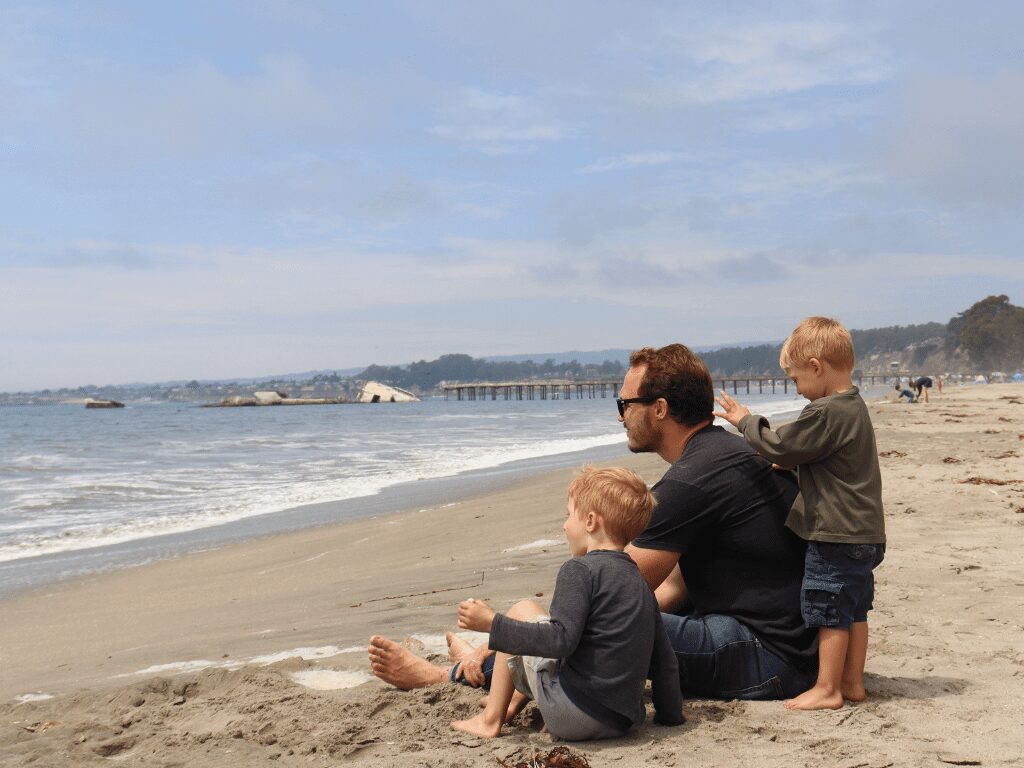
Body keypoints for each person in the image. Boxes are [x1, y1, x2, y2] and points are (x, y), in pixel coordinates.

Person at [618, 344, 818, 702]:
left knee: (612, 625)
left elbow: (610, 594)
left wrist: (517, 640)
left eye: (625, 405)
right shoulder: (727, 453)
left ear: (659, 409)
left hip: (768, 655)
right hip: (799, 645)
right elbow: (674, 588)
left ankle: (494, 665)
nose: (621, 418)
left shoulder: (692, 479)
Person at [714, 317, 885, 710]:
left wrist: (745, 421)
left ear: (815, 366)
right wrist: (800, 467)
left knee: (829, 611)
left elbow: (780, 446)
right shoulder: (854, 406)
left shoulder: (824, 412)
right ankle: (852, 682)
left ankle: (827, 688)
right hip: (866, 532)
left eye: (794, 380)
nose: (796, 389)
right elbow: (836, 461)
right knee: (855, 608)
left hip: (834, 533)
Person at [451, 466, 683, 740]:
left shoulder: (579, 570)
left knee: (519, 613)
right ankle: (513, 700)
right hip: (621, 721)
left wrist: (492, 623)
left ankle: (489, 720)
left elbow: (560, 641)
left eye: (568, 514)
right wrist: (671, 716)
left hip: (573, 715)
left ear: (590, 521)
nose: (564, 525)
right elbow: (664, 660)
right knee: (535, 624)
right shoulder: (639, 581)